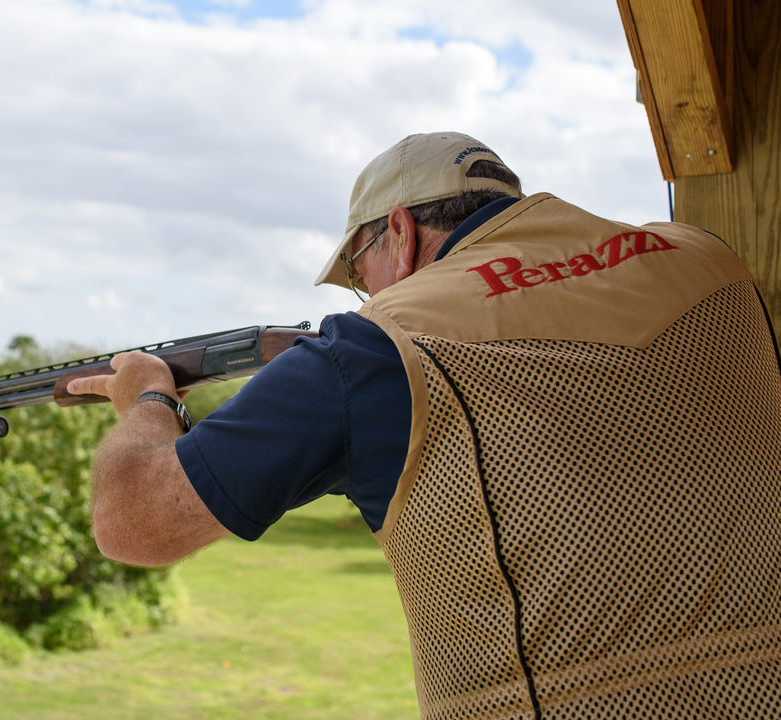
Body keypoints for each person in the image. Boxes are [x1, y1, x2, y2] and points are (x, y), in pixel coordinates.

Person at [66, 132, 781, 718]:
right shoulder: (711, 263)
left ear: (399, 233)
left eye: (358, 267)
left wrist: (147, 400)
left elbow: (133, 522)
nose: (365, 292)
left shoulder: (377, 346)